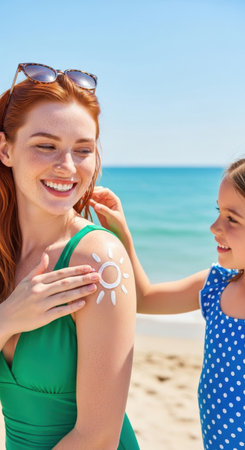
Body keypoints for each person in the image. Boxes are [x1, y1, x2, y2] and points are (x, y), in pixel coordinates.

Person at [0, 63, 139, 449]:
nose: (67, 167)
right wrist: (7, 318)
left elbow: (97, 438)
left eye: (83, 150)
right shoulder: (3, 251)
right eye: (46, 146)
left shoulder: (99, 260)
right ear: (6, 149)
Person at [90, 159, 245, 449]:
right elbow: (143, 298)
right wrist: (121, 232)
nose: (214, 227)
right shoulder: (215, 286)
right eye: (218, 213)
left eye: (232, 219)